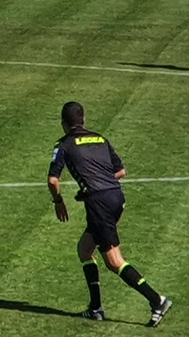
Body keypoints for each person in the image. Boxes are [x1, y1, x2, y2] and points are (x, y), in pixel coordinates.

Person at [48, 101, 173, 327]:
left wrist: (58, 201)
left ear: (63, 124)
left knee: (114, 261)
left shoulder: (64, 144)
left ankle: (157, 300)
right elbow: (120, 171)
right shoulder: (100, 138)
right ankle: (95, 308)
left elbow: (53, 180)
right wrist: (96, 187)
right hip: (116, 197)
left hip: (99, 204)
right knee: (85, 249)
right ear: (84, 120)